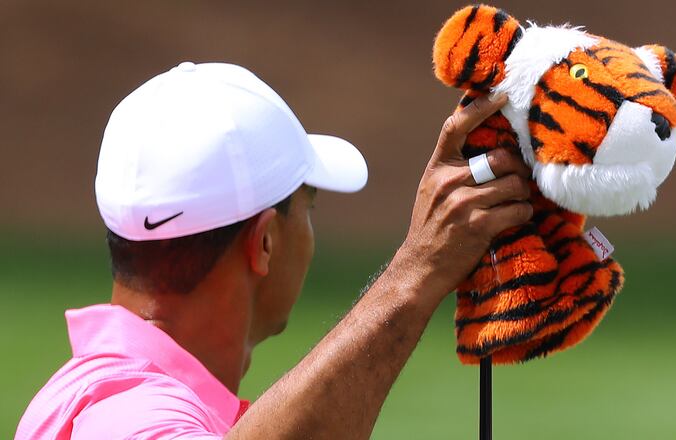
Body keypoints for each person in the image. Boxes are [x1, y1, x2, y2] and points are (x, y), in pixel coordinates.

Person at [15, 62, 533, 439]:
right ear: (265, 242)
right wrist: (416, 275)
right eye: (308, 204)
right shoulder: (130, 415)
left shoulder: (90, 394)